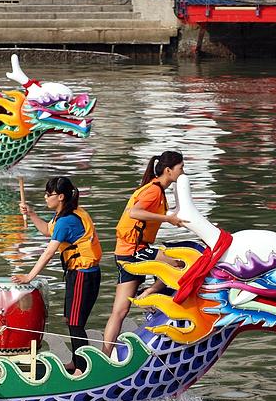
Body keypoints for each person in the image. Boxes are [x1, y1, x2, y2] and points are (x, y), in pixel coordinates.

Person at [101, 151, 187, 357]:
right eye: (181, 168)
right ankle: (148, 294)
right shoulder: (154, 190)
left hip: (125, 252)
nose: (183, 172)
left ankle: (104, 356)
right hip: (134, 251)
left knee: (119, 311)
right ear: (168, 170)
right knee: (180, 265)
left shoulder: (157, 190)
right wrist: (168, 219)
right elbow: (135, 213)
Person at [15, 176, 102, 375]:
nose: (45, 197)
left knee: (75, 322)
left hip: (83, 275)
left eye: (49, 194)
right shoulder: (63, 216)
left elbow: (48, 252)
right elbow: (47, 230)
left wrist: (29, 277)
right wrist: (33, 213)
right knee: (70, 319)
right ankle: (76, 361)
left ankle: (82, 368)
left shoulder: (67, 221)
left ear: (60, 196)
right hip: (76, 274)